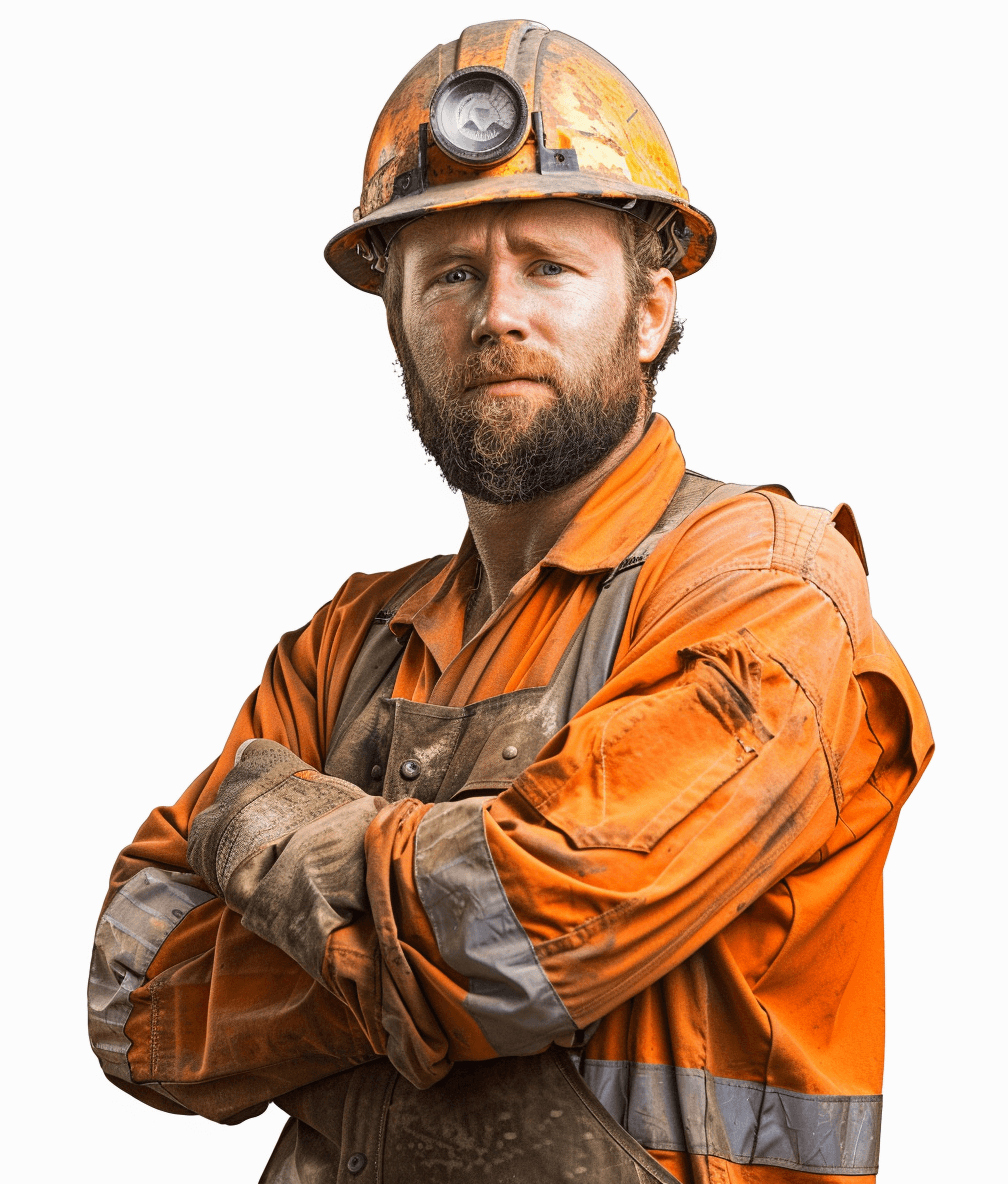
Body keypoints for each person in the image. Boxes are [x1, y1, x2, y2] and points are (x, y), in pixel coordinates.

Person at [87, 19, 932, 1184]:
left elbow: (520, 938)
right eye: (450, 274)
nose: (497, 313)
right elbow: (131, 991)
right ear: (399, 323)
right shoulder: (347, 642)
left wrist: (263, 826)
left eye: (547, 264)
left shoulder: (764, 589)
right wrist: (426, 944)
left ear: (648, 310)